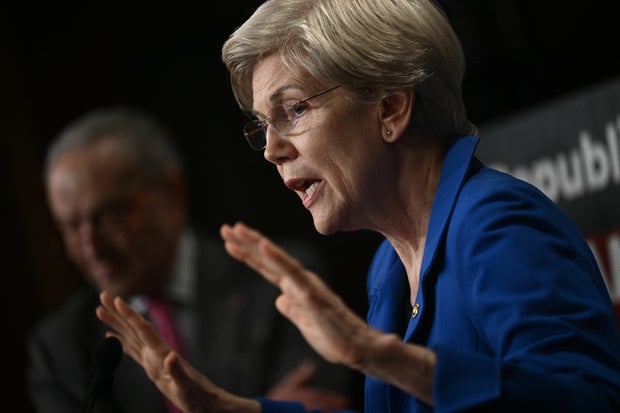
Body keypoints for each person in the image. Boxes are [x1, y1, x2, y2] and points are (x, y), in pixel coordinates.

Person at [94, 0, 620, 412]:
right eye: (263, 125)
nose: (273, 150)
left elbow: (587, 403)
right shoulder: (389, 268)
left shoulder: (497, 225)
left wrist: (374, 353)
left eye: (293, 110)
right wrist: (230, 409)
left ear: (390, 106)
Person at [26, 107, 361, 413]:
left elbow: (321, 407)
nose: (91, 247)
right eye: (71, 227)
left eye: (110, 216)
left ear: (172, 193)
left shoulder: (278, 281)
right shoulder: (61, 347)